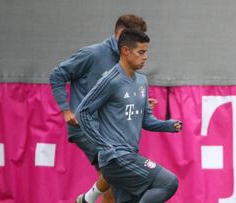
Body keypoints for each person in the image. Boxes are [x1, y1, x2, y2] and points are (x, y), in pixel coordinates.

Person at [49, 15, 158, 203]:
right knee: (116, 172)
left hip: (108, 129)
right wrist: (66, 110)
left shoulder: (128, 61)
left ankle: (87, 199)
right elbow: (57, 75)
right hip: (86, 127)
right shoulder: (92, 54)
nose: (139, 48)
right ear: (121, 35)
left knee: (117, 180)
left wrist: (141, 104)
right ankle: (87, 199)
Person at [75, 29, 182, 203]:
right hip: (116, 158)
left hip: (129, 155)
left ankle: (87, 199)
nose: (145, 57)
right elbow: (83, 112)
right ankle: (88, 198)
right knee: (168, 183)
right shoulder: (110, 80)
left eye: (146, 52)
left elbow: (147, 121)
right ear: (125, 51)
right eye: (141, 52)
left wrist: (168, 125)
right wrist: (104, 147)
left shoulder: (142, 81)